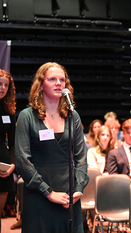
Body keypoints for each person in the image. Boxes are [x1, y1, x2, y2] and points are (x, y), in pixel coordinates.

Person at [15, 62, 88, 232]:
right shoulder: (27, 116)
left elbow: (81, 156)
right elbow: (22, 160)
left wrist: (79, 188)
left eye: (62, 80)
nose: (58, 83)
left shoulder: (72, 115)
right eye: (52, 79)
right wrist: (48, 192)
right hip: (39, 193)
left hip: (69, 196)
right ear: (40, 85)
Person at [0, 69, 16, 233]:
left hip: (3, 169)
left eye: (6, 85)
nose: (3, 88)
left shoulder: (9, 111)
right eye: (0, 84)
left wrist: (12, 164)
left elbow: (12, 143)